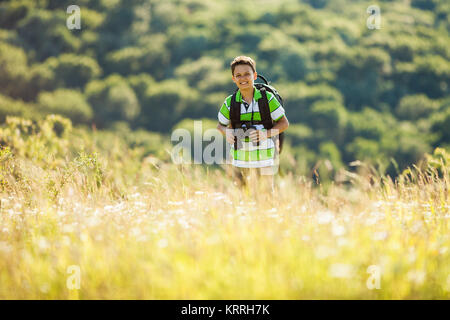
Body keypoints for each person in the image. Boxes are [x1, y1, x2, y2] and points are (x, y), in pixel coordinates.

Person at [216, 56, 289, 198]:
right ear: (233, 79)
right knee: (242, 198)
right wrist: (227, 132)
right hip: (239, 160)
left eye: (247, 74)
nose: (243, 78)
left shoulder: (267, 99)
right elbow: (220, 125)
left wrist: (265, 134)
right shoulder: (230, 102)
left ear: (254, 75)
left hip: (266, 159)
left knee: (266, 197)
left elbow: (284, 123)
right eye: (238, 75)